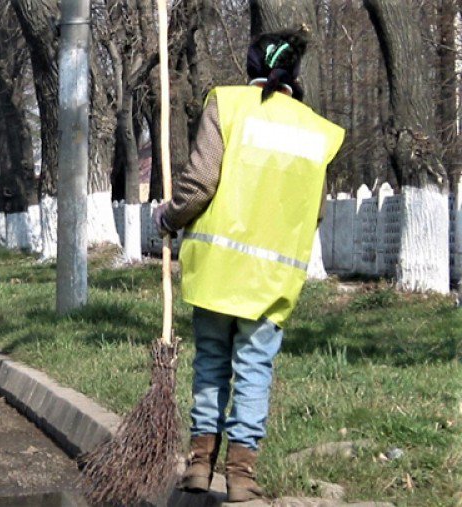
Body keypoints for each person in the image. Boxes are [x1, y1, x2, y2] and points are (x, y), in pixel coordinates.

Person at [153, 29, 344, 501]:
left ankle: (199, 467)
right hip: (272, 278)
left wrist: (168, 216)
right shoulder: (315, 131)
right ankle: (242, 476)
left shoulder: (228, 105)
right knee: (254, 368)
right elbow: (315, 210)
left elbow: (199, 182)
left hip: (217, 270)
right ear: (294, 74)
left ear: (251, 67)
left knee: (212, 363)